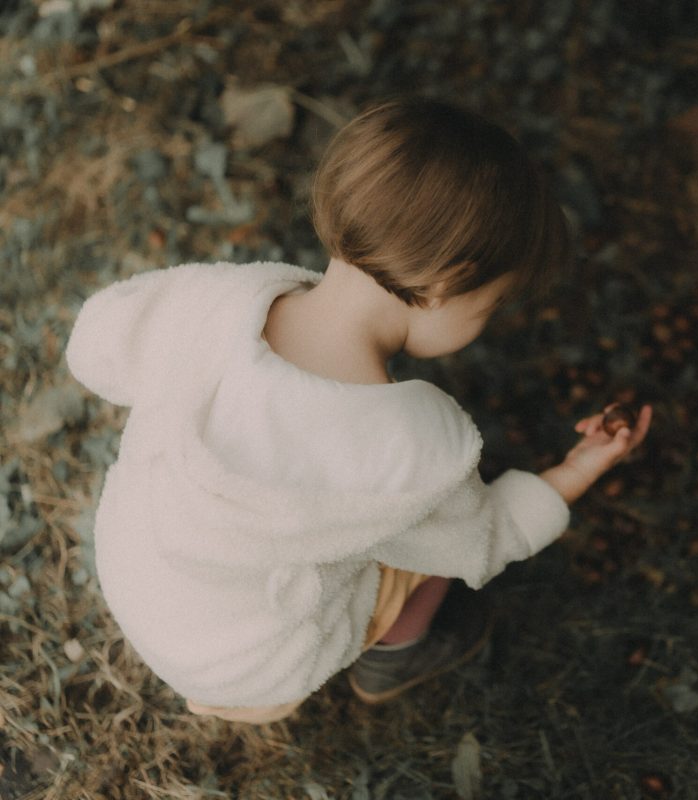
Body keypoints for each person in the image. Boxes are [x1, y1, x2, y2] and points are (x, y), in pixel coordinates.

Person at [65, 98, 652, 724]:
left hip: (140, 588)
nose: (488, 322)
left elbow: (95, 347)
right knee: (422, 552)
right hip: (257, 664)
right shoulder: (413, 447)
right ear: (447, 285)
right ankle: (396, 654)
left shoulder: (213, 299)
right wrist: (577, 470)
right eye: (490, 307)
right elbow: (480, 541)